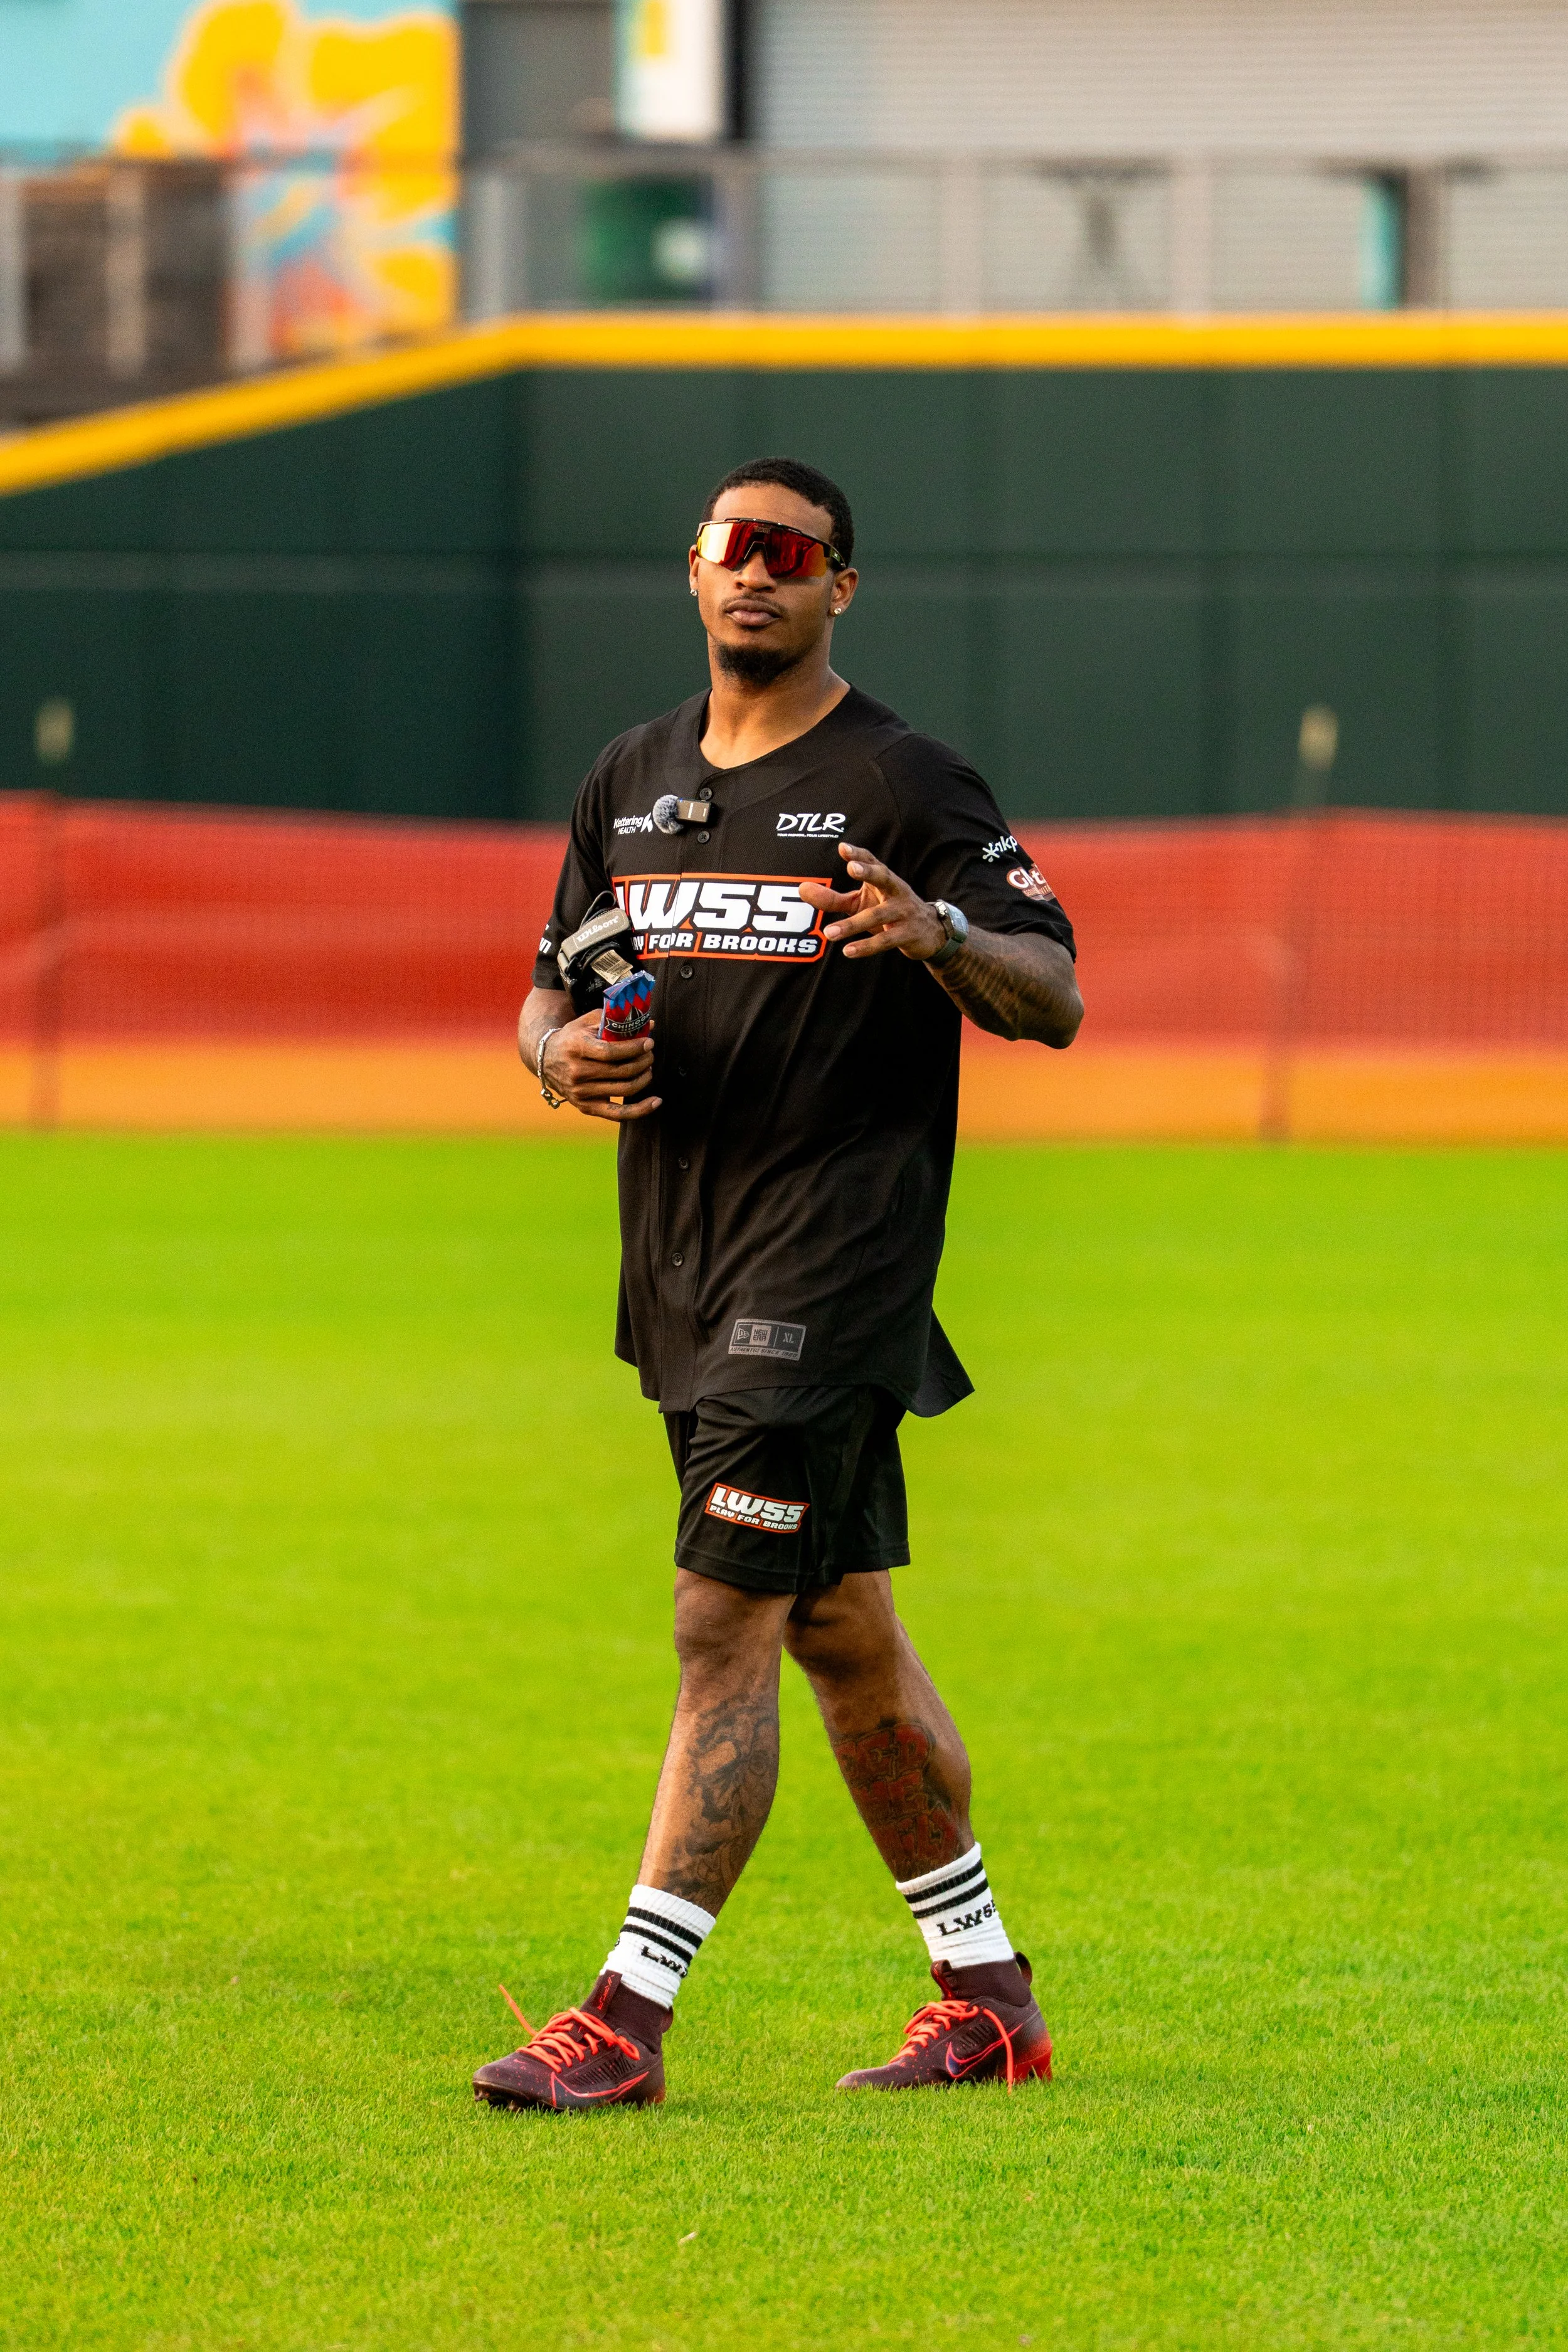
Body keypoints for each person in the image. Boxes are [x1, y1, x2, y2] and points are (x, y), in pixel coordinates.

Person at [474, 456, 1083, 2113]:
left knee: (717, 1617)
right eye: (729, 549)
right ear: (690, 575)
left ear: (838, 587)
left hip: (833, 1258)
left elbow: (1053, 990)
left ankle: (622, 2014)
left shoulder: (903, 781)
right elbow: (548, 993)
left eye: (789, 552)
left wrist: (939, 940)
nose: (755, 573)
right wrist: (559, 1060)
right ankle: (986, 1995)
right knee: (835, 1627)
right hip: (678, 1256)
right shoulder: (629, 779)